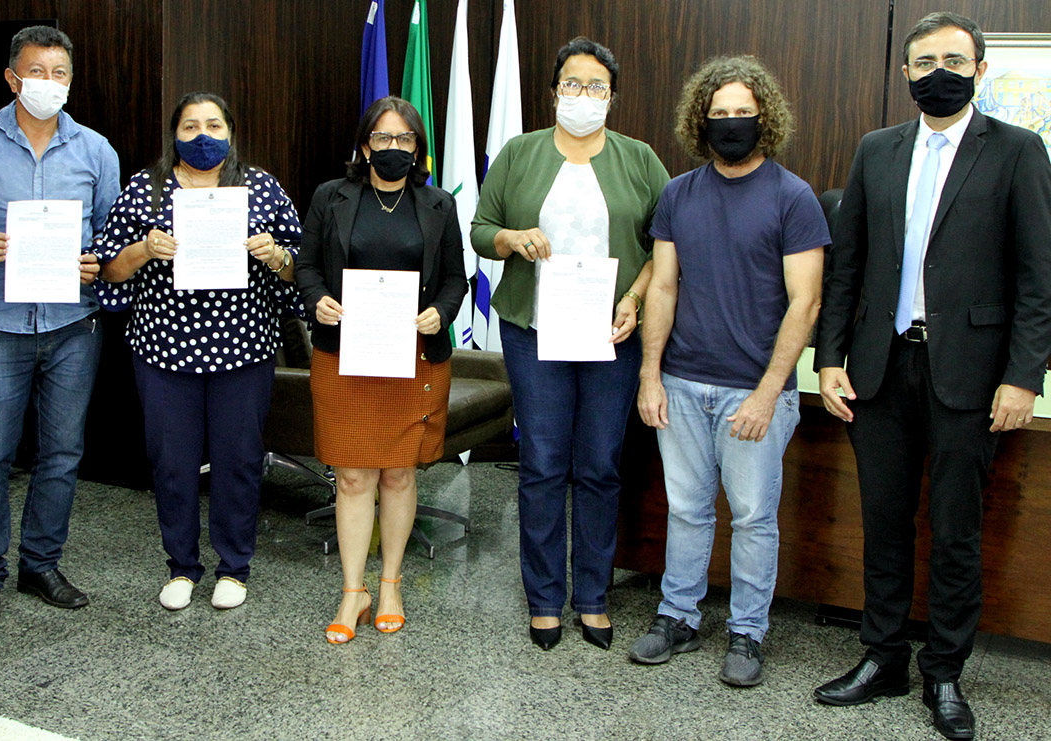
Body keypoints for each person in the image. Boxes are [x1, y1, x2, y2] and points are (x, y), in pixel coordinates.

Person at [813, 12, 1051, 740]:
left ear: (979, 69)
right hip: (881, 368)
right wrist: (829, 358)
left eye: (953, 59)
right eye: (924, 62)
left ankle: (943, 671)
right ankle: (882, 657)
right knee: (884, 523)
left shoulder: (1017, 150)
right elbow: (847, 265)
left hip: (971, 376)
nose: (937, 71)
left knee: (954, 532)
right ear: (907, 73)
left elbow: (1039, 278)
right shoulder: (876, 149)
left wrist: (1023, 377)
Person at [627, 56, 828, 685]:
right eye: (720, 113)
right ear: (701, 121)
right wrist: (650, 375)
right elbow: (662, 287)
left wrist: (768, 393)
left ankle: (747, 632)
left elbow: (806, 302)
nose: (732, 123)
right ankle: (678, 616)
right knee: (687, 509)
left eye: (744, 112)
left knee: (752, 518)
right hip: (682, 384)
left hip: (755, 392)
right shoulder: (678, 194)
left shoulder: (793, 198)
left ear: (765, 119)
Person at [471, 37, 669, 651]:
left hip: (612, 332)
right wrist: (511, 239)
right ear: (554, 92)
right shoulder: (519, 152)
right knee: (542, 463)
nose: (584, 96)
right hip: (535, 331)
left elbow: (666, 245)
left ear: (612, 96)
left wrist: (634, 299)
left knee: (600, 464)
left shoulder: (639, 159)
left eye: (597, 86)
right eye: (573, 84)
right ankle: (543, 598)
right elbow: (480, 230)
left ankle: (592, 595)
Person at [0, 25, 120, 632]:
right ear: (12, 78)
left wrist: (97, 262)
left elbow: (109, 236)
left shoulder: (96, 151)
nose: (49, 83)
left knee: (62, 453)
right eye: (37, 72)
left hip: (72, 323)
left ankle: (40, 565)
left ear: (71, 81)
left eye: (59, 74)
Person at [97, 92, 301, 611]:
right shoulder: (145, 188)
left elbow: (301, 268)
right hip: (164, 350)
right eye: (190, 127)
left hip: (244, 349)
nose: (202, 136)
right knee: (173, 463)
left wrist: (276, 255)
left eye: (213, 125)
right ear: (174, 135)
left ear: (231, 132)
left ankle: (234, 568)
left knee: (239, 460)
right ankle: (181, 566)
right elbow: (108, 269)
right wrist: (145, 249)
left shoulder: (261, 187)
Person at [296, 95, 467, 643]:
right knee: (351, 476)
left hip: (412, 356)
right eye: (383, 138)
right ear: (365, 145)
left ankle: (390, 583)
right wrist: (317, 300)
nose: (394, 147)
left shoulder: (438, 204)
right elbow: (305, 266)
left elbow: (455, 279)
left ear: (418, 148)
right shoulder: (331, 196)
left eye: (405, 139)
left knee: (397, 474)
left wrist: (441, 312)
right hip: (345, 355)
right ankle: (354, 591)